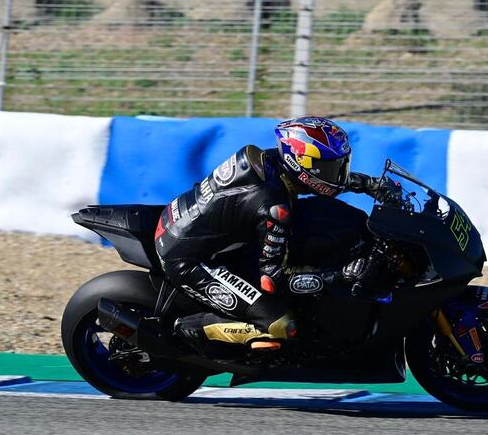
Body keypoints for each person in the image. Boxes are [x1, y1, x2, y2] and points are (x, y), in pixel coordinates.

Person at [154, 116, 381, 355]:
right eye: (330, 168)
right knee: (282, 326)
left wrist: (367, 184)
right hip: (190, 260)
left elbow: (318, 178)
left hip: (190, 226)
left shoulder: (273, 159)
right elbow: (273, 280)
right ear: (300, 163)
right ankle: (191, 327)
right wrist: (338, 277)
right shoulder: (274, 208)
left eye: (340, 166)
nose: (337, 174)